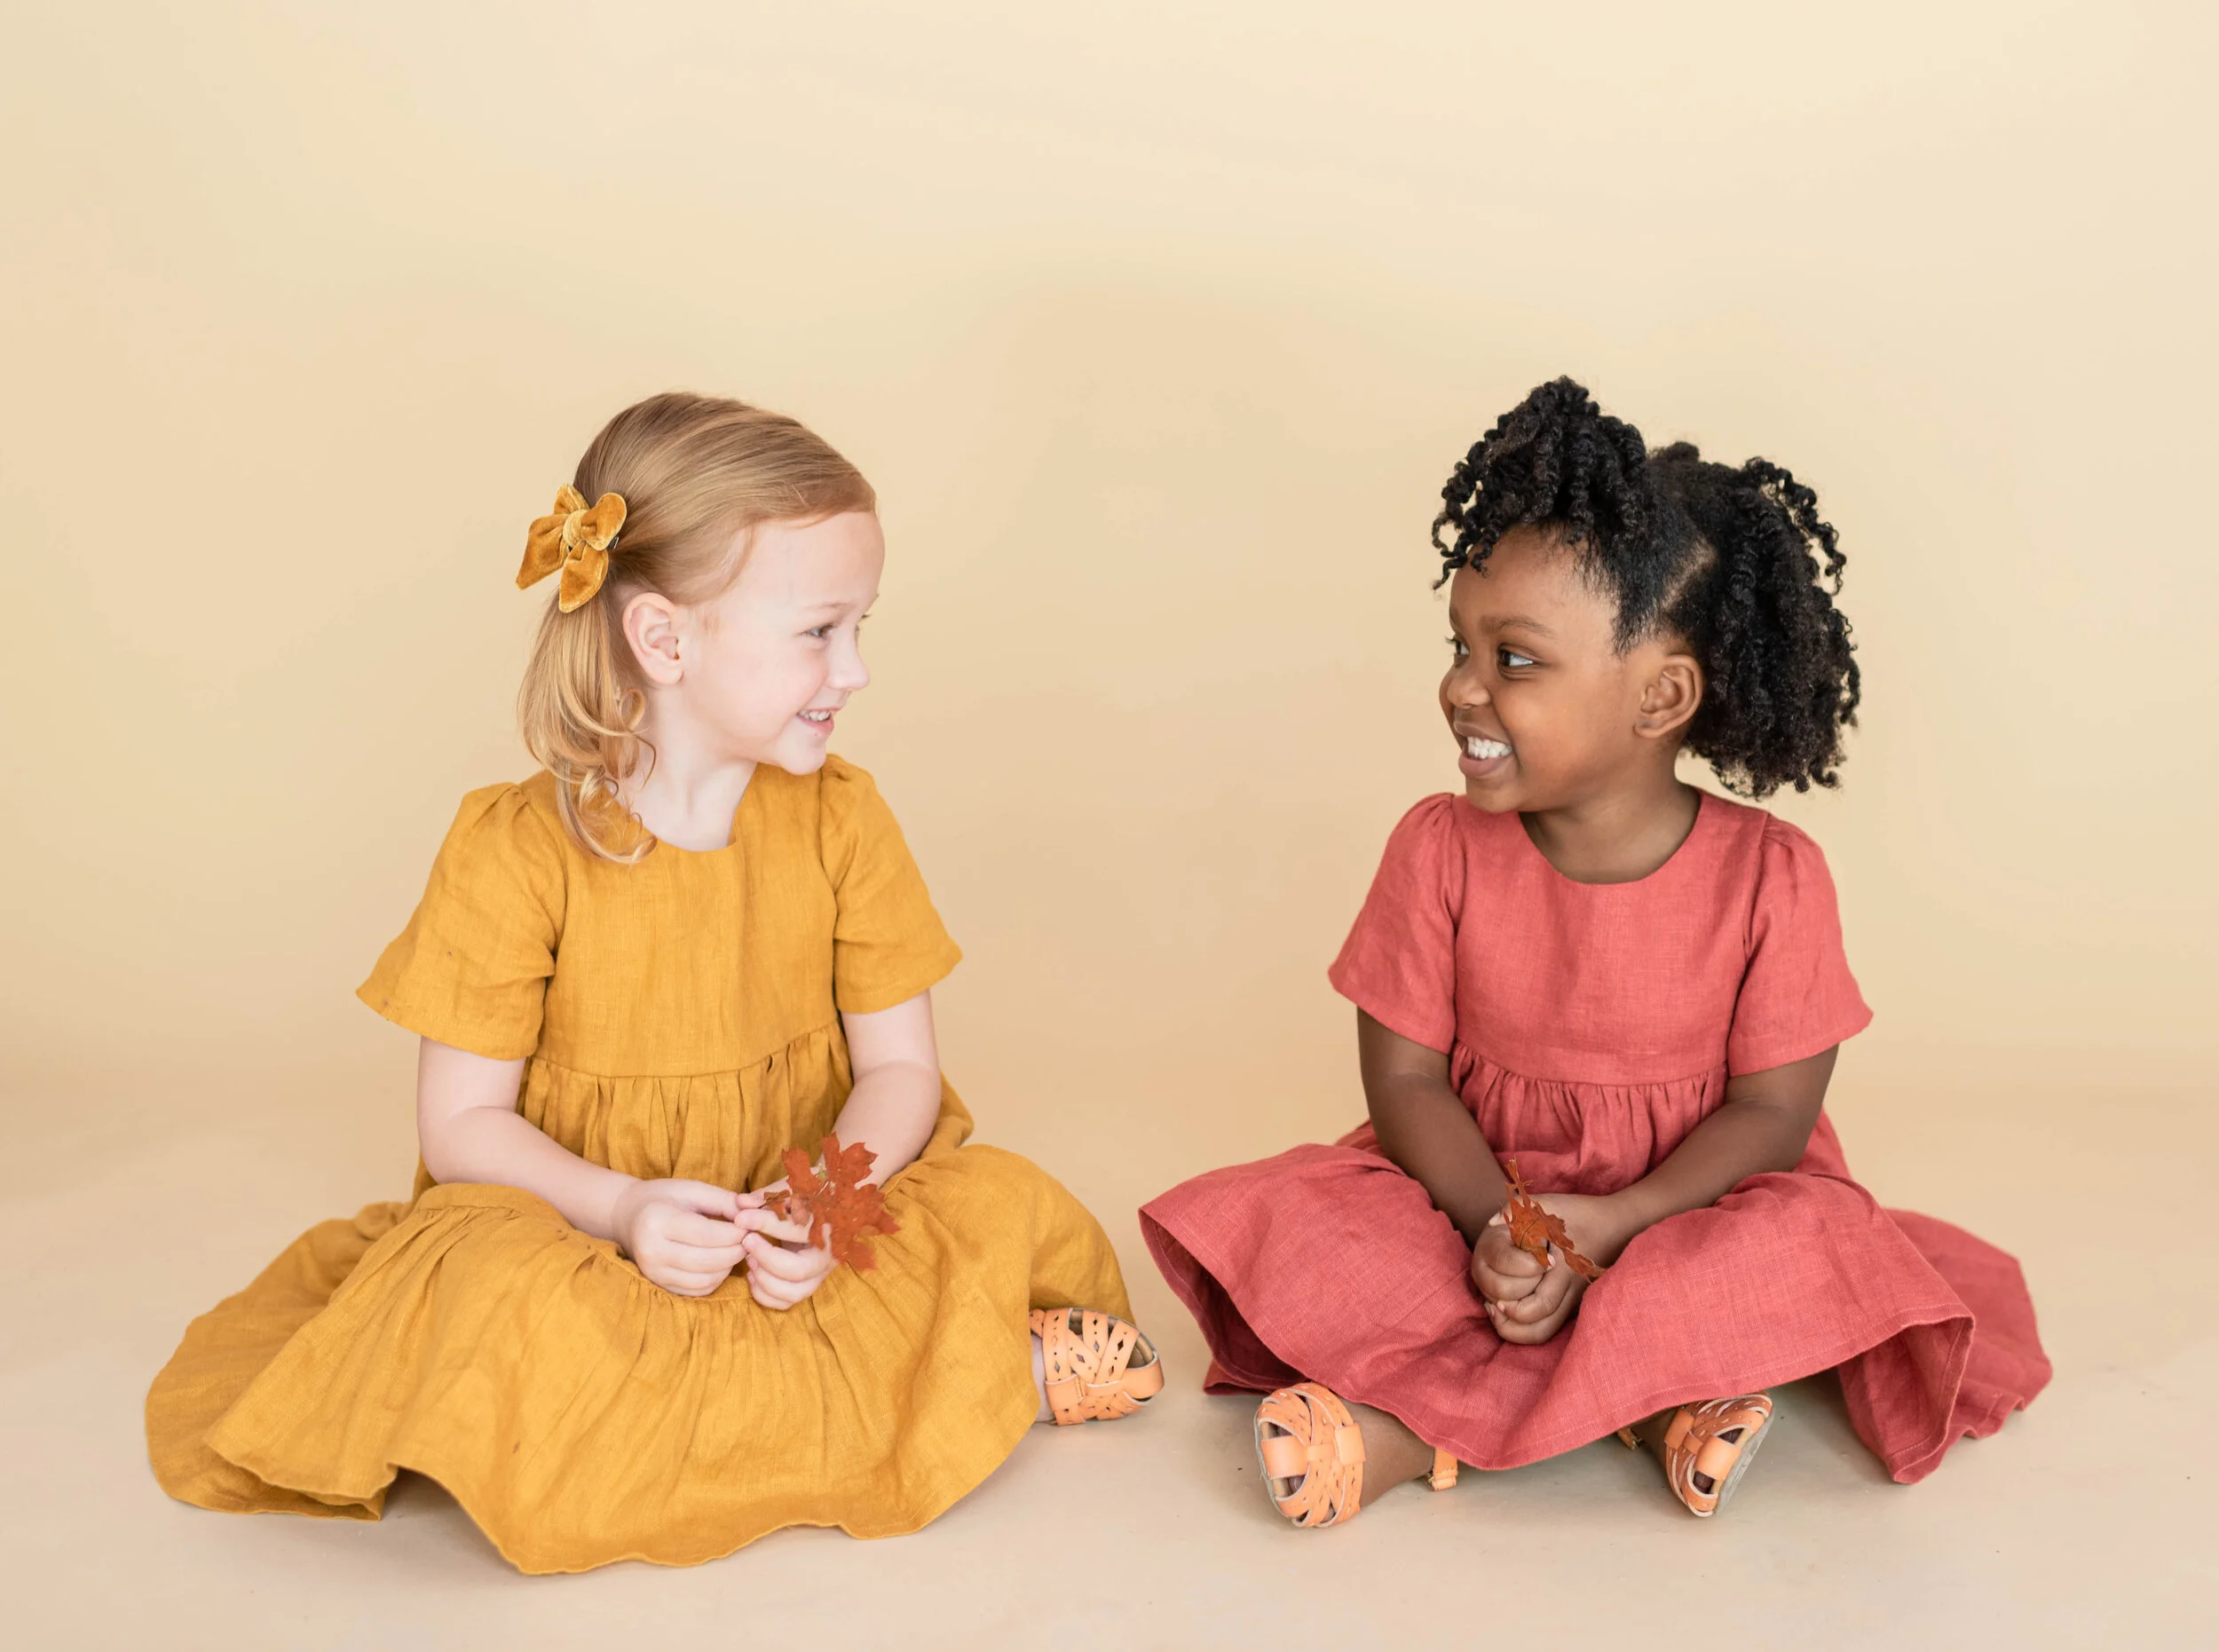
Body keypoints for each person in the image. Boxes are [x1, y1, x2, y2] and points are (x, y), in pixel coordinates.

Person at [146, 392, 1161, 1572]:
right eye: (820, 633)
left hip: (797, 1209)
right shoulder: (513, 850)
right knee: (495, 1296)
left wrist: (826, 1210)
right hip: (587, 1223)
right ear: (667, 643)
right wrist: (624, 1210)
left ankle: (880, 1378)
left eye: (862, 627)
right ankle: (978, 1380)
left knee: (987, 1201)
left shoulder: (843, 819)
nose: (859, 670)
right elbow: (462, 1122)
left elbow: (900, 1071)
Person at [1140, 377, 2049, 1526]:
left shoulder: (1773, 879)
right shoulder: (1437, 850)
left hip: (1684, 1206)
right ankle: (1648, 1403)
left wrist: (1613, 1226)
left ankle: (1423, 1426)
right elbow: (1406, 1079)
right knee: (1318, 1219)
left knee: (1810, 1238)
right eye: (1460, 644)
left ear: (1661, 696)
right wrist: (1500, 1229)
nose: (1462, 685)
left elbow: (1771, 1120)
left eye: (1514, 660)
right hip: (1470, 1191)